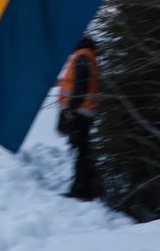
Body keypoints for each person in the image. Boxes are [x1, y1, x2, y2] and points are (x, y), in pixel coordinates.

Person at [58, 35, 100, 200]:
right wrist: (58, 82)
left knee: (82, 152)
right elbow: (74, 81)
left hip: (80, 112)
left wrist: (71, 109)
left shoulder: (82, 56)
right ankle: (85, 188)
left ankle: (82, 190)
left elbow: (81, 84)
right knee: (83, 150)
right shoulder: (89, 56)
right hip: (86, 112)